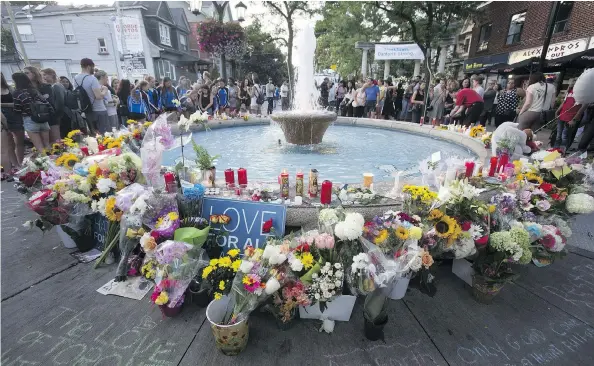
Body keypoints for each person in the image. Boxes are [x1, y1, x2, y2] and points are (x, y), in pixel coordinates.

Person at [12, 72, 52, 153]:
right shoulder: (35, 91)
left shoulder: (17, 93)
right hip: (43, 119)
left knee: (40, 148)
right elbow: (46, 103)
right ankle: (54, 162)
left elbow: (17, 110)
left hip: (30, 120)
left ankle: (47, 164)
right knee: (47, 145)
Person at [74, 58, 108, 134]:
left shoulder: (76, 78)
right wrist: (105, 90)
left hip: (87, 110)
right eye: (93, 67)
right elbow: (98, 96)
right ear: (89, 66)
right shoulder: (92, 79)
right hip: (99, 109)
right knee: (104, 133)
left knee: (94, 133)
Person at [554, 79, 587, 152]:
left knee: (564, 136)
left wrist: (574, 119)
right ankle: (555, 149)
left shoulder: (582, 94)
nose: (571, 85)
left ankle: (562, 151)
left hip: (570, 118)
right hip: (562, 116)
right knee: (558, 135)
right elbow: (564, 102)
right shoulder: (569, 91)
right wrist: (557, 111)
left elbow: (583, 107)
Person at [1, 73, 23, 172]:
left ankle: (20, 163)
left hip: (14, 116)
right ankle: (15, 165)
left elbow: (16, 104)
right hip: (2, 118)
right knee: (9, 143)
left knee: (19, 140)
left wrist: (2, 104)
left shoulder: (10, 88)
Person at [40, 68, 67, 141]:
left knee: (59, 138)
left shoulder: (56, 86)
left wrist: (57, 115)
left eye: (45, 75)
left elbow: (60, 102)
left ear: (52, 74)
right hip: (58, 115)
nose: (43, 77)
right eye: (42, 75)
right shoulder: (51, 86)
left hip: (60, 115)